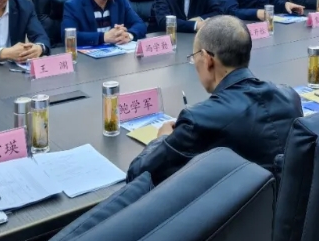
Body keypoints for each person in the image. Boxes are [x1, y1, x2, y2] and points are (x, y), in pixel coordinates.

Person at [126, 16, 303, 184]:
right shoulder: (289, 97)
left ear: (206, 59)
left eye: (194, 58)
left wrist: (162, 138)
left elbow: (138, 175)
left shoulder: (199, 120)